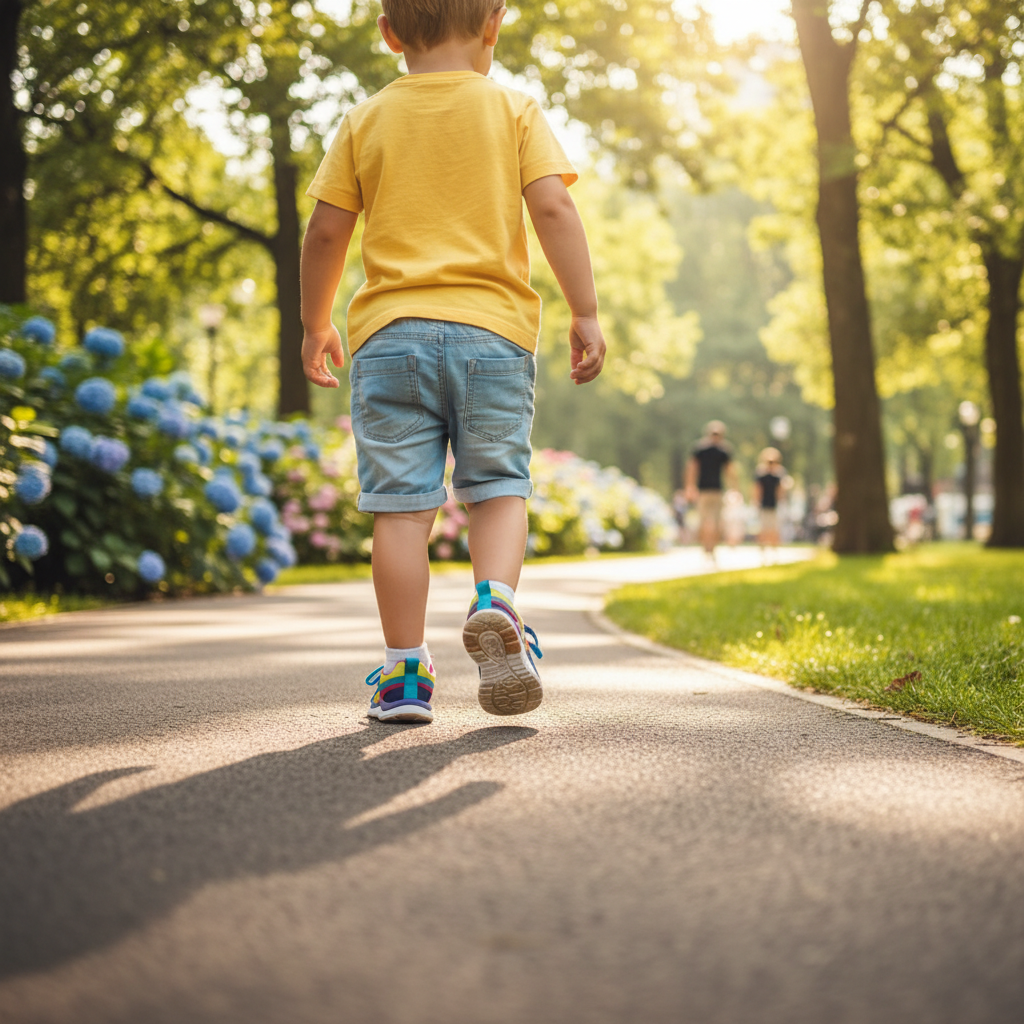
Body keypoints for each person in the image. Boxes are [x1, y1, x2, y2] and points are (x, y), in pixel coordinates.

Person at [299, 0, 607, 724]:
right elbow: (555, 211)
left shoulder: (364, 119)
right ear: (494, 24)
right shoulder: (515, 111)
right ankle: (496, 603)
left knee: (401, 510)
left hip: (390, 337)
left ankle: (404, 674)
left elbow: (324, 232)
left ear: (389, 32)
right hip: (493, 336)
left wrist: (316, 323)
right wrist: (584, 310)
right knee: (498, 486)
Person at [684, 420, 737, 557]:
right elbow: (730, 472)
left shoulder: (700, 449)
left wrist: (690, 487)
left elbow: (691, 469)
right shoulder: (723, 450)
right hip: (713, 491)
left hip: (707, 491)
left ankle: (708, 548)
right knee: (713, 522)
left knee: (707, 521)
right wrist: (734, 489)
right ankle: (710, 548)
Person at [753, 447, 790, 563]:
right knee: (764, 529)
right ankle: (763, 551)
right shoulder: (760, 474)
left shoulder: (779, 475)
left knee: (774, 530)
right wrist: (756, 502)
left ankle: (774, 551)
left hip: (775, 506)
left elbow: (781, 491)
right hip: (764, 505)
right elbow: (757, 490)